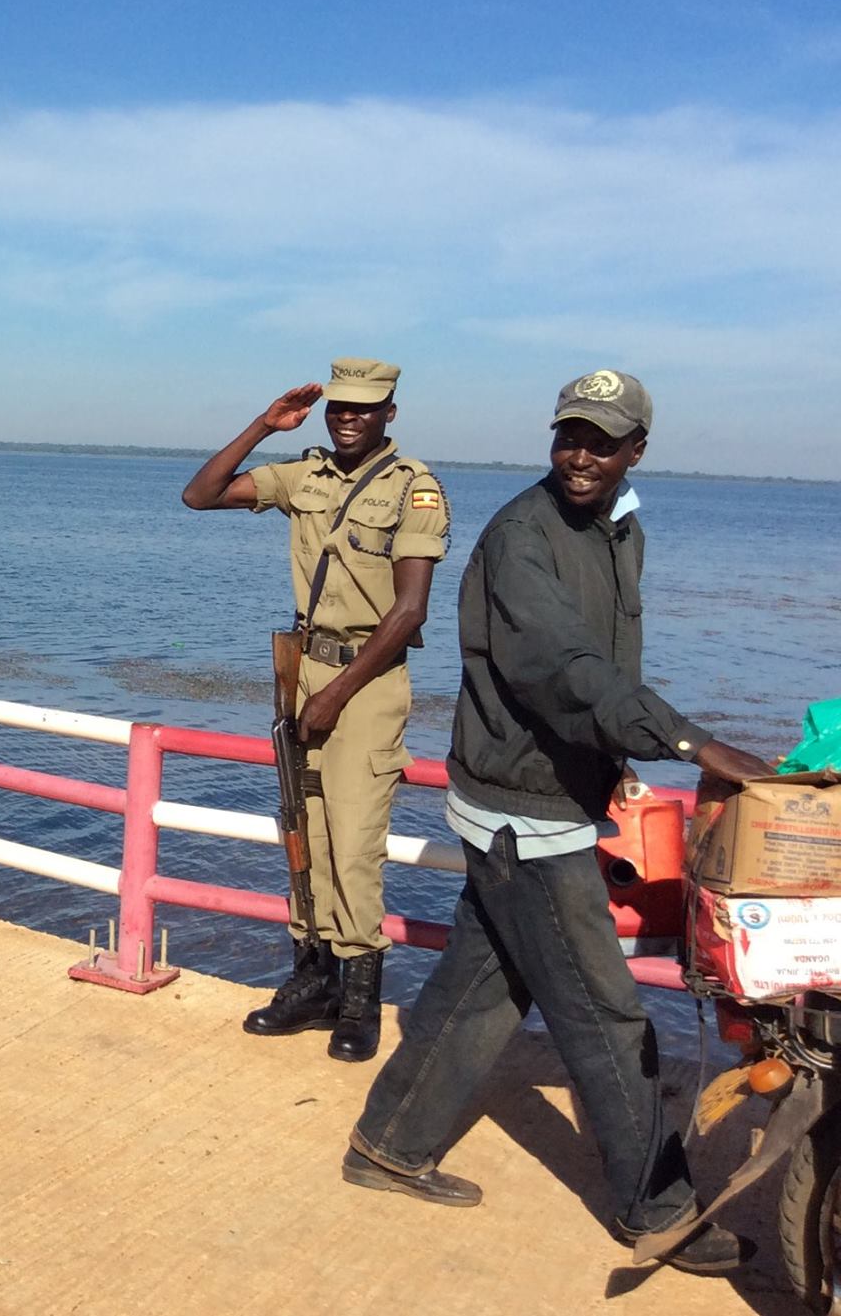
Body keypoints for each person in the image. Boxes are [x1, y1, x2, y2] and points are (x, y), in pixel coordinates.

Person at [344, 369, 773, 1276]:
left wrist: (613, 762)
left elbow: (606, 662)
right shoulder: (520, 537)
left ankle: (389, 1140)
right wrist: (691, 742)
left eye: (601, 441)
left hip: (546, 797)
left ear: (635, 452)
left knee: (485, 983)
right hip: (520, 815)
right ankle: (658, 1210)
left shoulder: (620, 529)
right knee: (609, 1018)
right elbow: (560, 669)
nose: (579, 455)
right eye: (568, 435)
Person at [181, 358, 448, 1061]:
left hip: (366, 678)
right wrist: (264, 425)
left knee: (353, 841)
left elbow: (410, 608)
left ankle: (361, 997)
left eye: (364, 408)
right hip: (302, 671)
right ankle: (314, 978)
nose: (349, 418)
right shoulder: (306, 476)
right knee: (303, 831)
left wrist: (334, 693)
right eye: (339, 408)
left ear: (390, 411)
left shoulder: (412, 488)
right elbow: (199, 495)